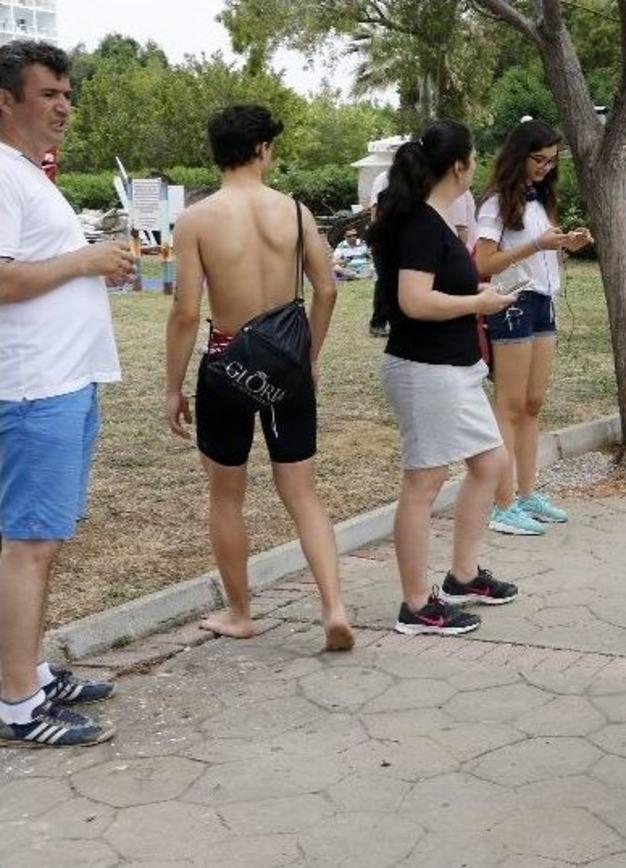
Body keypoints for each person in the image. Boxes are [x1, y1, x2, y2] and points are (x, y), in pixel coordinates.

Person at [165, 104, 354, 653]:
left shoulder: (196, 220)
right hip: (287, 366)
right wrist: (309, 356)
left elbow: (185, 311)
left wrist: (172, 386)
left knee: (226, 496)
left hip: (227, 364)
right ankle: (334, 608)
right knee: (303, 494)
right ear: (263, 148)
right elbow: (327, 290)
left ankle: (240, 614)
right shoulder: (294, 212)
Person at [0, 40, 135, 747]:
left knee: (44, 540)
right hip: (33, 389)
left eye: (66, 95)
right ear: (6, 101)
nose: (63, 107)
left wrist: (92, 267)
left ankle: (26, 672)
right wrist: (85, 259)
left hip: (65, 381)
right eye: (48, 94)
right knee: (29, 543)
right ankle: (17, 704)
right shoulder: (2, 172)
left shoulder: (28, 174)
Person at [368, 119, 521, 635]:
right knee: (424, 482)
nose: (476, 166)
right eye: (474, 158)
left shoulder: (432, 218)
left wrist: (479, 296)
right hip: (424, 369)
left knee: (491, 461)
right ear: (459, 165)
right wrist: (478, 303)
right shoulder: (418, 223)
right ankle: (416, 605)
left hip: (454, 366)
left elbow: (439, 288)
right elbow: (413, 301)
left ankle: (463, 575)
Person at [475, 120, 592, 537]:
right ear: (518, 155)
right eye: (538, 159)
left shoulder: (540, 199)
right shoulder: (496, 203)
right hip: (513, 302)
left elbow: (542, 251)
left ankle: (526, 494)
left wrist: (566, 244)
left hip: (543, 300)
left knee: (532, 402)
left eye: (551, 161)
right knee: (509, 404)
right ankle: (502, 503)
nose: (545, 167)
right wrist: (536, 245)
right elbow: (483, 263)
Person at [367, 168, 391, 337]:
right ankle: (377, 323)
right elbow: (375, 207)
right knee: (384, 280)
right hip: (384, 237)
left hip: (401, 237)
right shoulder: (384, 178)